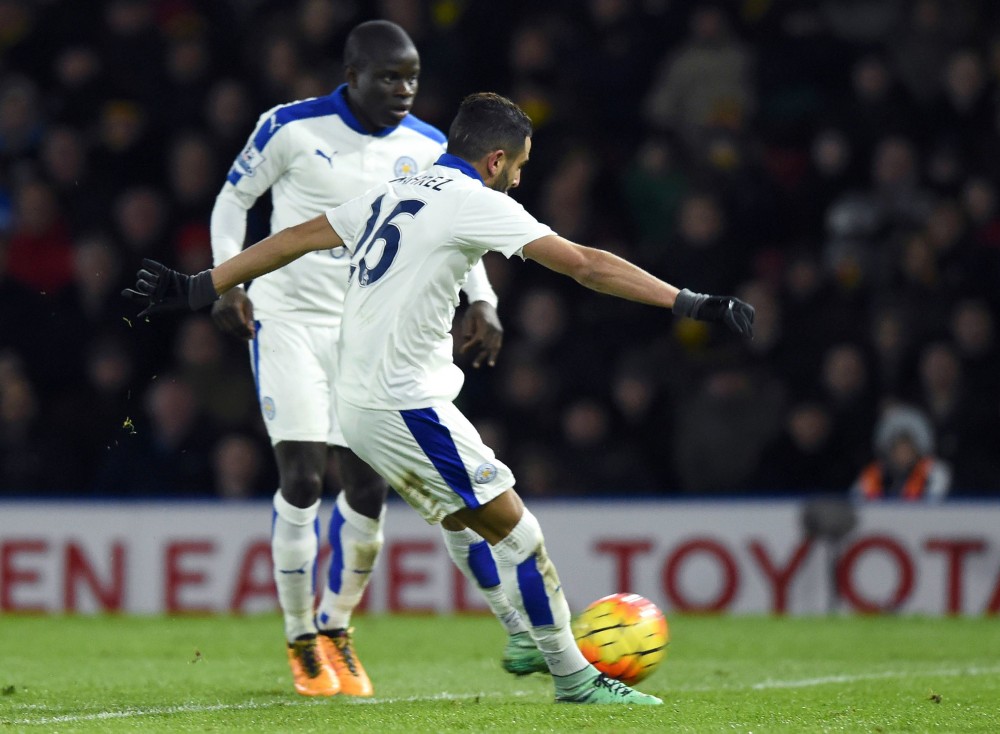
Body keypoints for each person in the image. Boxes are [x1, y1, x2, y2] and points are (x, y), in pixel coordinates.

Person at [124, 92, 755, 705]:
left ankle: (519, 635)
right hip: (404, 405)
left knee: (461, 518)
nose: (518, 181)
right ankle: (574, 677)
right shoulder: (472, 201)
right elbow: (586, 264)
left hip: (364, 403)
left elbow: (298, 235)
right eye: (520, 167)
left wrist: (202, 285)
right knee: (522, 536)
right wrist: (688, 302)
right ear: (495, 160)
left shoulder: (398, 189)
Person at [206, 21, 536, 697]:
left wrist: (483, 299)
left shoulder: (427, 147)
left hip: (368, 333)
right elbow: (234, 199)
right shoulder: (290, 127)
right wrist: (228, 278)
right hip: (291, 320)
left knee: (366, 487)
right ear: (351, 73)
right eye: (389, 77)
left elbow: (461, 220)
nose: (405, 90)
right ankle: (301, 638)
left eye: (412, 77)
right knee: (301, 478)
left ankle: (336, 627)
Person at [850, 403, 952, 502]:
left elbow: (935, 503)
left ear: (917, 449)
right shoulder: (872, 475)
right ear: (890, 450)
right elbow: (854, 501)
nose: (903, 453)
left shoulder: (933, 473)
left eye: (908, 447)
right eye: (898, 447)